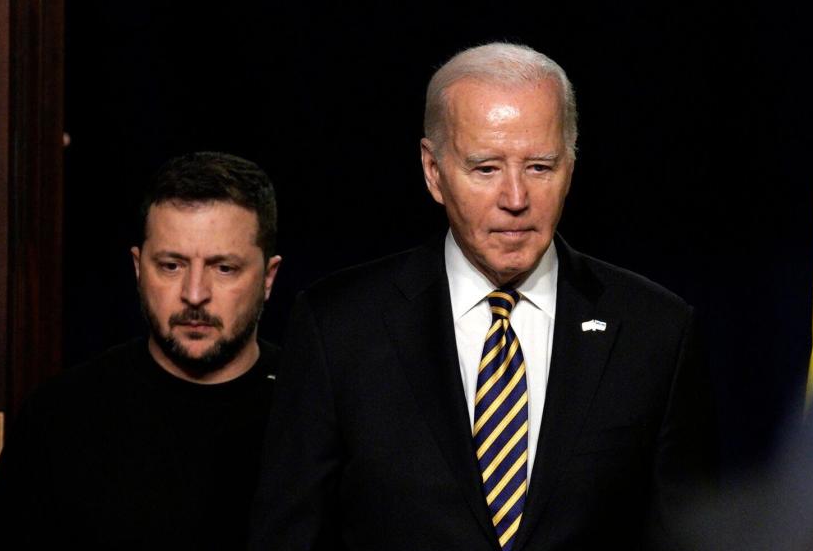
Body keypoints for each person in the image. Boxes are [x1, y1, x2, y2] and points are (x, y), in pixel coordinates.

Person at [249, 43, 713, 550]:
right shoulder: (338, 326)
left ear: (571, 166)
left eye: (540, 167)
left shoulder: (654, 331)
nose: (515, 199)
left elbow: (685, 535)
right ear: (433, 171)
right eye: (486, 168)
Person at [0, 152, 282, 550]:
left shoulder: (312, 410)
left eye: (224, 268)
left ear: (268, 278)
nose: (194, 294)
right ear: (139, 269)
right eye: (171, 266)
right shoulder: (62, 415)